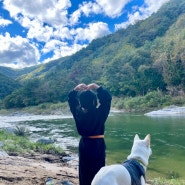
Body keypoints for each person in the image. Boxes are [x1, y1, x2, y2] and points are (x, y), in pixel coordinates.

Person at [68, 83, 112, 185]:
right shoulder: (100, 113)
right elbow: (107, 99)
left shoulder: (78, 112)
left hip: (84, 144)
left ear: (81, 102)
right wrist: (97, 87)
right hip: (97, 143)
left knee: (84, 170)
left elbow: (72, 101)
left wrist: (75, 90)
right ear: (94, 101)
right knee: (98, 171)